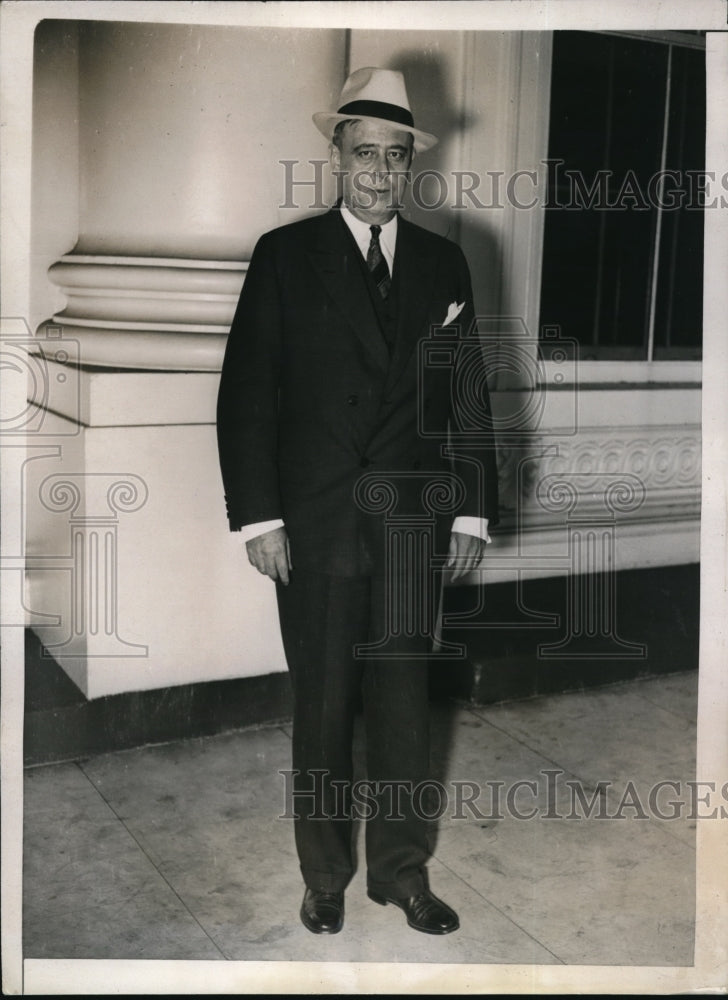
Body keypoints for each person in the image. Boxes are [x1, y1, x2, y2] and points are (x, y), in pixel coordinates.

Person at [216, 67, 499, 936]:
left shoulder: (445, 261)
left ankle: (401, 874)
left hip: (411, 523)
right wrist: (260, 517)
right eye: (364, 152)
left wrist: (471, 509)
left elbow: (467, 397)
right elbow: (246, 396)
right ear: (336, 156)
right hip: (316, 523)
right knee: (325, 707)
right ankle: (326, 876)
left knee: (406, 707)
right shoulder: (284, 256)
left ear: (412, 162)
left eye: (394, 155)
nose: (379, 170)